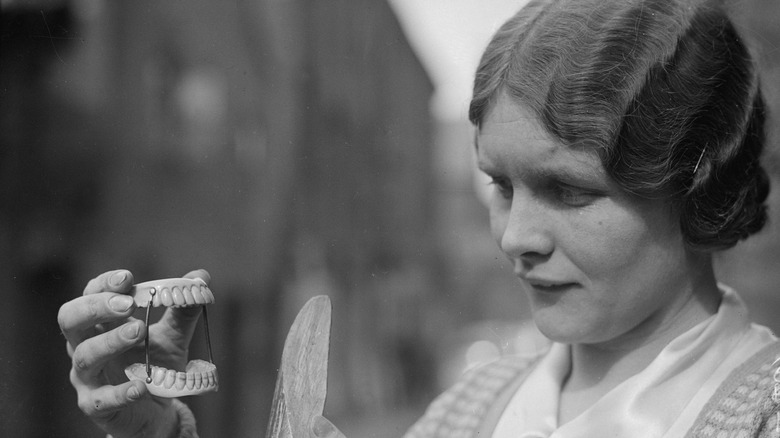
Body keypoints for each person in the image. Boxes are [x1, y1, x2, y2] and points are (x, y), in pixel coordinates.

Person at [58, 0, 780, 436]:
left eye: (568, 190)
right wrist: (159, 432)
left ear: (695, 182)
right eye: (500, 185)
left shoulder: (759, 415)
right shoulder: (475, 408)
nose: (513, 237)